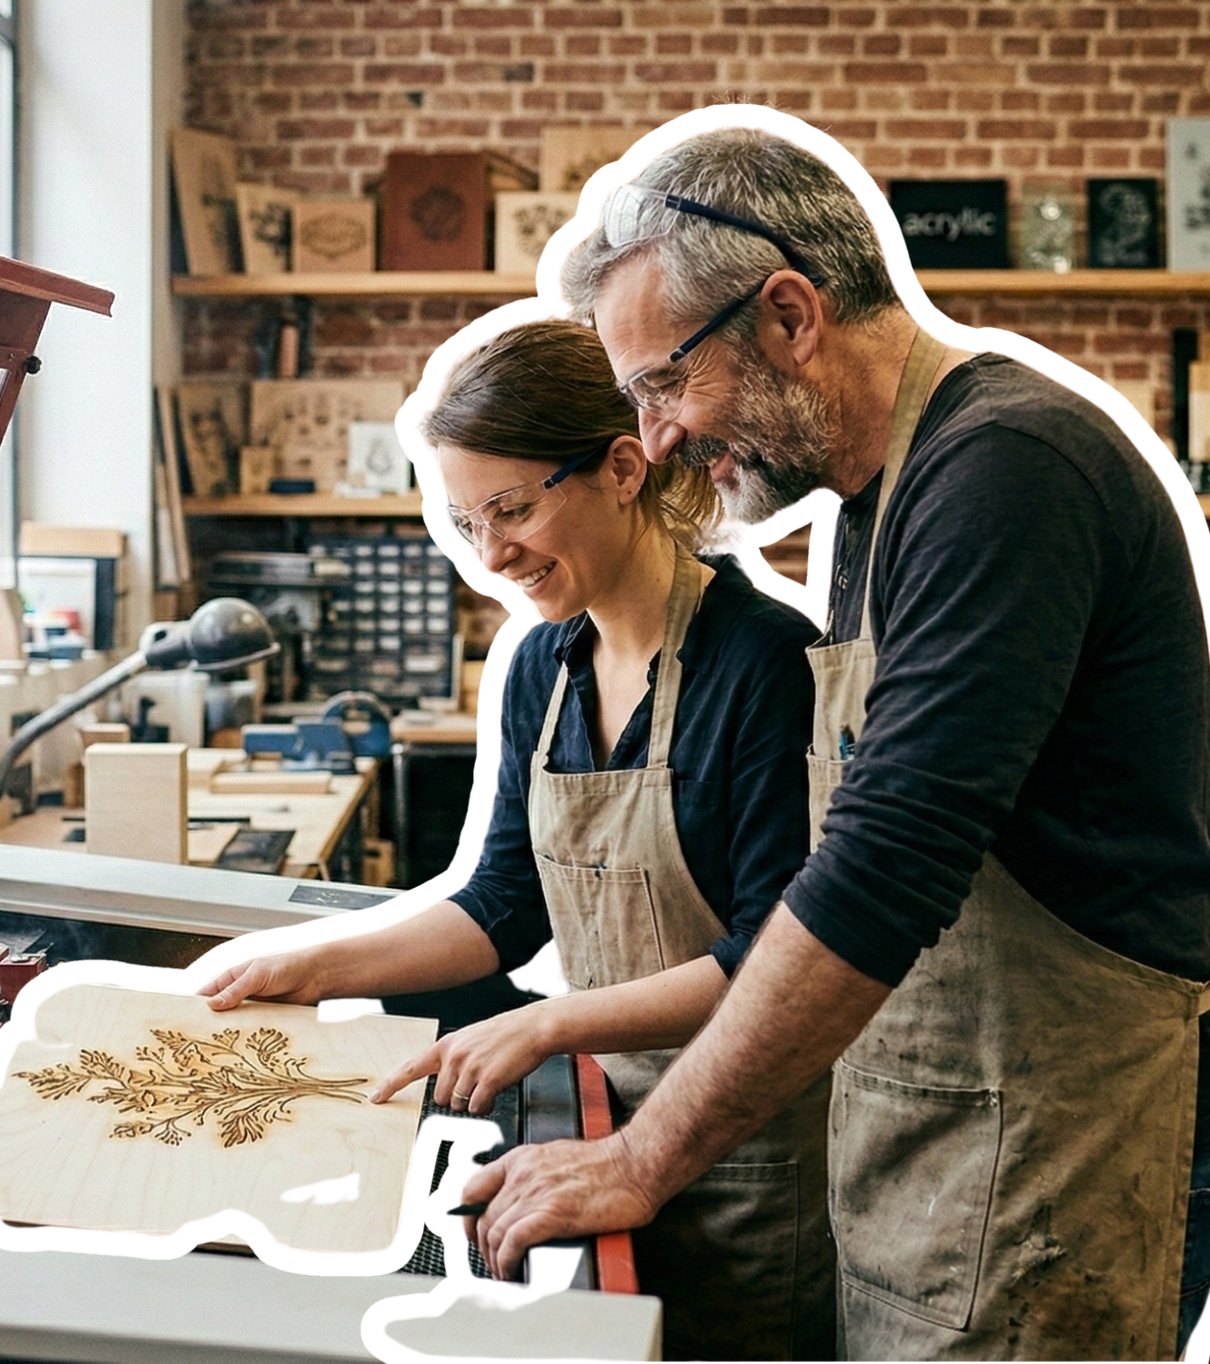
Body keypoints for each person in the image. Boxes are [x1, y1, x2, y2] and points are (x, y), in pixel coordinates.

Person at [462, 126, 1210, 1361]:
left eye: (664, 384)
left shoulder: (1005, 469)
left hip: (1059, 1137)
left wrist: (643, 1155)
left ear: (786, 316)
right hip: (936, 1132)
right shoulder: (878, 507)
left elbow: (885, 863)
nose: (656, 438)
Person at [202, 318, 836, 1361]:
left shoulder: (762, 663)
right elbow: (502, 904)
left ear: (622, 466)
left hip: (747, 1153)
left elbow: (778, 960)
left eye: (510, 508)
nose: (492, 554)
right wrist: (311, 965)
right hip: (599, 1127)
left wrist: (545, 1025)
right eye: (465, 521)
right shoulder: (544, 665)